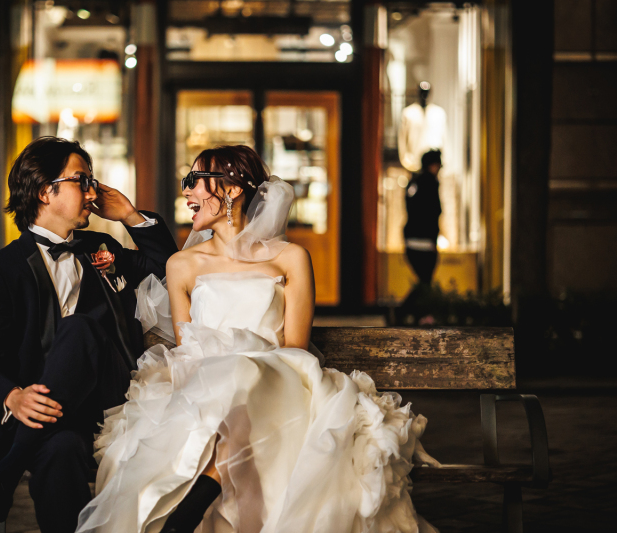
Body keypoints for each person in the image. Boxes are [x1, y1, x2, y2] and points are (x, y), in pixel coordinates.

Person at [76, 145, 439, 533]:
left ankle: (199, 498)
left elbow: (296, 349)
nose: (186, 192)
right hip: (205, 387)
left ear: (231, 190)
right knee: (223, 387)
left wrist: (245, 368)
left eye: (194, 182)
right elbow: (188, 351)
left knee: (246, 371)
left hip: (282, 384)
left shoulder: (291, 258)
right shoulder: (181, 265)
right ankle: (208, 488)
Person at [0, 136, 178, 532]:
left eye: (92, 182)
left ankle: (1, 479)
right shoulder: (0, 271)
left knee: (81, 327)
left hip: (110, 397)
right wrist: (13, 397)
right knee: (60, 450)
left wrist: (129, 215)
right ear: (44, 191)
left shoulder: (102, 248)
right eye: (82, 181)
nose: (92, 193)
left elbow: (170, 269)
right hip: (48, 414)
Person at [404, 149, 443, 286]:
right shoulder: (430, 183)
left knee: (423, 283)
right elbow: (434, 211)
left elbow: (409, 207)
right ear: (432, 165)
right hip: (425, 241)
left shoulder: (414, 183)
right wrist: (433, 238)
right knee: (425, 283)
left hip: (412, 240)